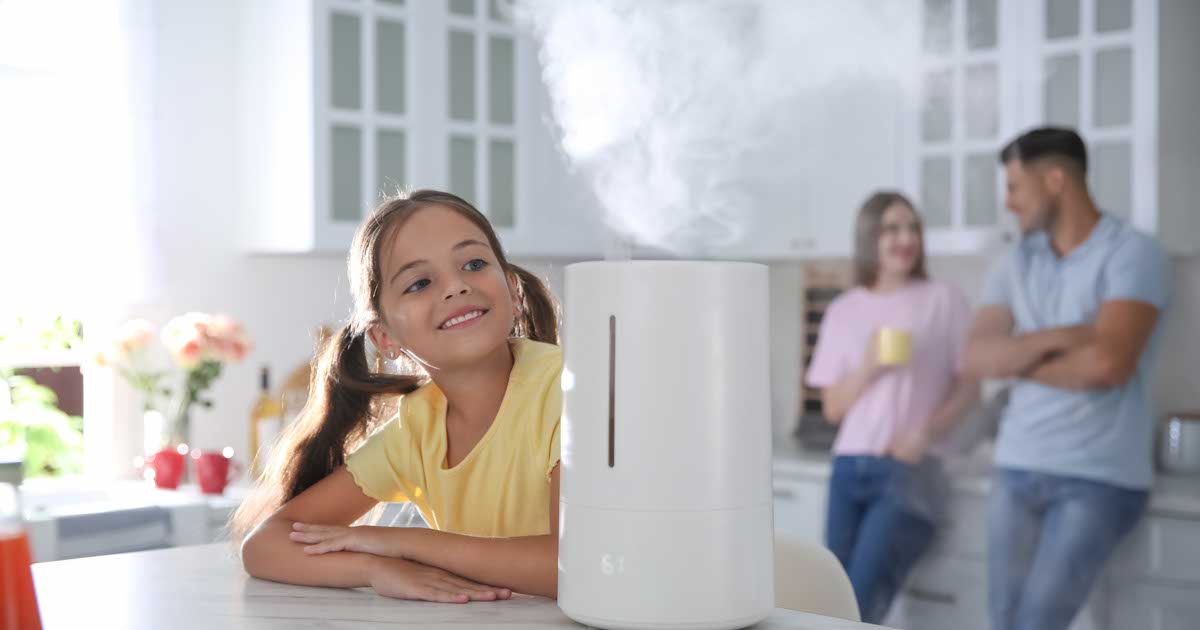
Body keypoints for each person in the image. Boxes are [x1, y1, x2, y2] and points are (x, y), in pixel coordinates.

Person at [232, 190, 563, 602]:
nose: (456, 286)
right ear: (385, 337)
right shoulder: (416, 428)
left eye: (474, 264)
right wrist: (375, 568)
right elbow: (266, 545)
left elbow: (571, 565)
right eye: (420, 282)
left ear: (513, 292)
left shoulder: (565, 390)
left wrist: (403, 544)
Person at [964, 127, 1172, 630]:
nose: (1008, 202)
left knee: (1036, 624)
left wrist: (1019, 359)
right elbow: (976, 356)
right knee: (1003, 620)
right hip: (1017, 466)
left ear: (1055, 179)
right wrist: (1068, 336)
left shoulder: (1132, 253)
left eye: (1015, 187)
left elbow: (1107, 365)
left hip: (1097, 477)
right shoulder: (1015, 262)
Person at [805, 191, 981, 623]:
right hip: (847, 469)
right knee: (832, 604)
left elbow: (971, 388)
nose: (906, 238)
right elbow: (832, 409)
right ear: (870, 238)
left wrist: (924, 434)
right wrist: (869, 366)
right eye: (891, 229)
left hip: (907, 471)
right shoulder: (844, 310)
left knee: (859, 608)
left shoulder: (945, 299)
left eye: (912, 228)